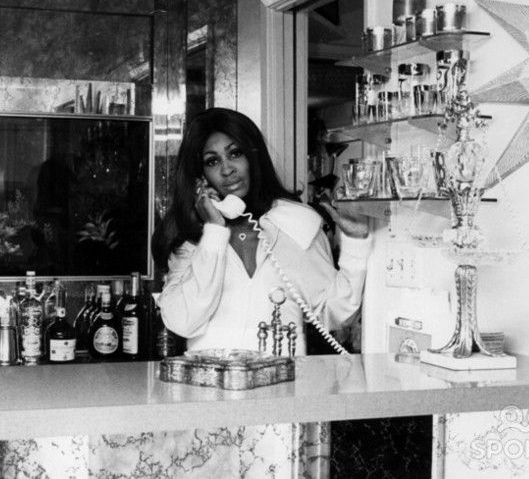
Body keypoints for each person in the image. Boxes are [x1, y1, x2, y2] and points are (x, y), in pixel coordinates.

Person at [154, 107, 371, 356]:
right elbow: (183, 322)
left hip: (283, 386)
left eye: (235, 153)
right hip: (210, 385)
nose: (227, 170)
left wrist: (356, 243)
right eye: (212, 161)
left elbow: (336, 312)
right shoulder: (192, 239)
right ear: (200, 177)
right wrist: (213, 232)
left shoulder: (296, 222)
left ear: (253, 156)